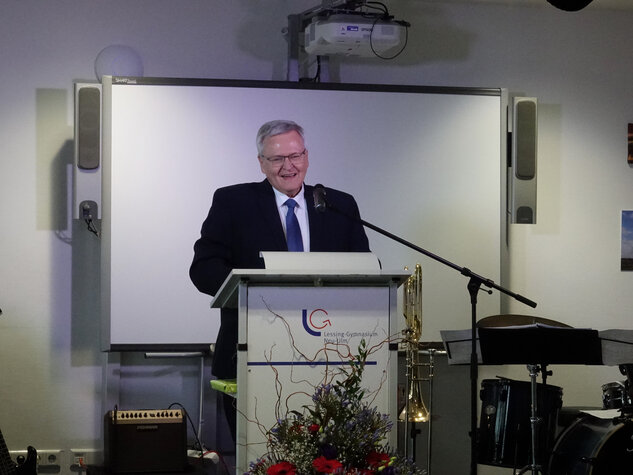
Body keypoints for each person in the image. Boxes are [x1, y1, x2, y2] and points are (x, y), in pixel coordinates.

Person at [189, 119, 370, 440]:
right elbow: (203, 268)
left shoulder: (338, 205)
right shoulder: (233, 202)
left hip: (330, 355)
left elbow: (365, 267)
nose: (289, 166)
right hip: (252, 352)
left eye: (295, 156)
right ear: (261, 163)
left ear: (307, 157)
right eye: (277, 159)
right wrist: (253, 291)